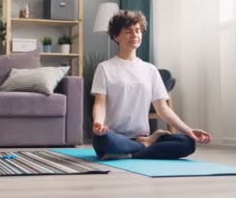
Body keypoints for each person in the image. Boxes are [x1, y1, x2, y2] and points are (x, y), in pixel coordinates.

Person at [91, 10, 212, 160]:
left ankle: (134, 149)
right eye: (128, 31)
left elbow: (162, 108)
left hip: (142, 136)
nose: (135, 35)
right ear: (116, 36)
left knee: (187, 143)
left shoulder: (150, 70)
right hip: (113, 135)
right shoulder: (105, 67)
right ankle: (145, 146)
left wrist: (189, 131)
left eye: (137, 31)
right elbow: (100, 104)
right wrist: (98, 124)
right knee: (104, 140)